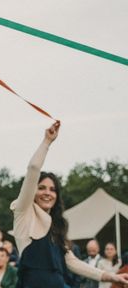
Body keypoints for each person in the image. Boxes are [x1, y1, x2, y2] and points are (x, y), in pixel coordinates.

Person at [11, 121, 128, 288]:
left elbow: (73, 262)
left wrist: (110, 277)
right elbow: (33, 168)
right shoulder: (23, 213)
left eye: (52, 190)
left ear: (57, 196)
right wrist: (47, 142)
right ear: (33, 192)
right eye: (42, 188)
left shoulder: (56, 227)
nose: (47, 193)